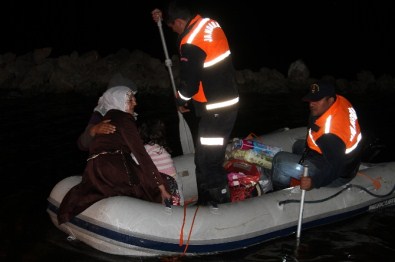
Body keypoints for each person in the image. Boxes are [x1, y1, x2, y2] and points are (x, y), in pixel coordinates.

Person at [151, 0, 240, 205]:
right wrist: (163, 18)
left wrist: (179, 101)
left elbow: (189, 85)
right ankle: (211, 199)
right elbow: (205, 67)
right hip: (227, 98)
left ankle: (217, 203)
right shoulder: (210, 23)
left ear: (180, 22)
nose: (174, 32)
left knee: (207, 161)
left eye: (173, 27)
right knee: (207, 157)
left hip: (217, 108)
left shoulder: (190, 42)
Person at [57, 86, 172, 225]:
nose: (135, 103)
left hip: (94, 169)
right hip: (114, 167)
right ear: (119, 101)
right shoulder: (125, 118)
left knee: (90, 192)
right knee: (158, 184)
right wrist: (160, 186)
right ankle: (161, 222)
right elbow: (141, 155)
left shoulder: (108, 116)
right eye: (130, 100)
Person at [271, 80, 363, 191]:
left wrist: (313, 182)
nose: (311, 104)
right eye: (311, 99)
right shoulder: (340, 101)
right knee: (298, 146)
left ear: (330, 100)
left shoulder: (329, 134)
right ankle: (296, 173)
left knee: (279, 161)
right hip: (340, 157)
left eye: (317, 100)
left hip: (339, 173)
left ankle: (279, 192)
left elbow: (336, 168)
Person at [77, 73, 137, 151]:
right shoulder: (100, 115)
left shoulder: (128, 113)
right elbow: (82, 144)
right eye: (129, 99)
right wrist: (94, 130)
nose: (135, 103)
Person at [139, 118, 182, 205]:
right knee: (176, 204)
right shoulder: (148, 148)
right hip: (167, 181)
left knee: (176, 203)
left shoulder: (155, 147)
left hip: (171, 179)